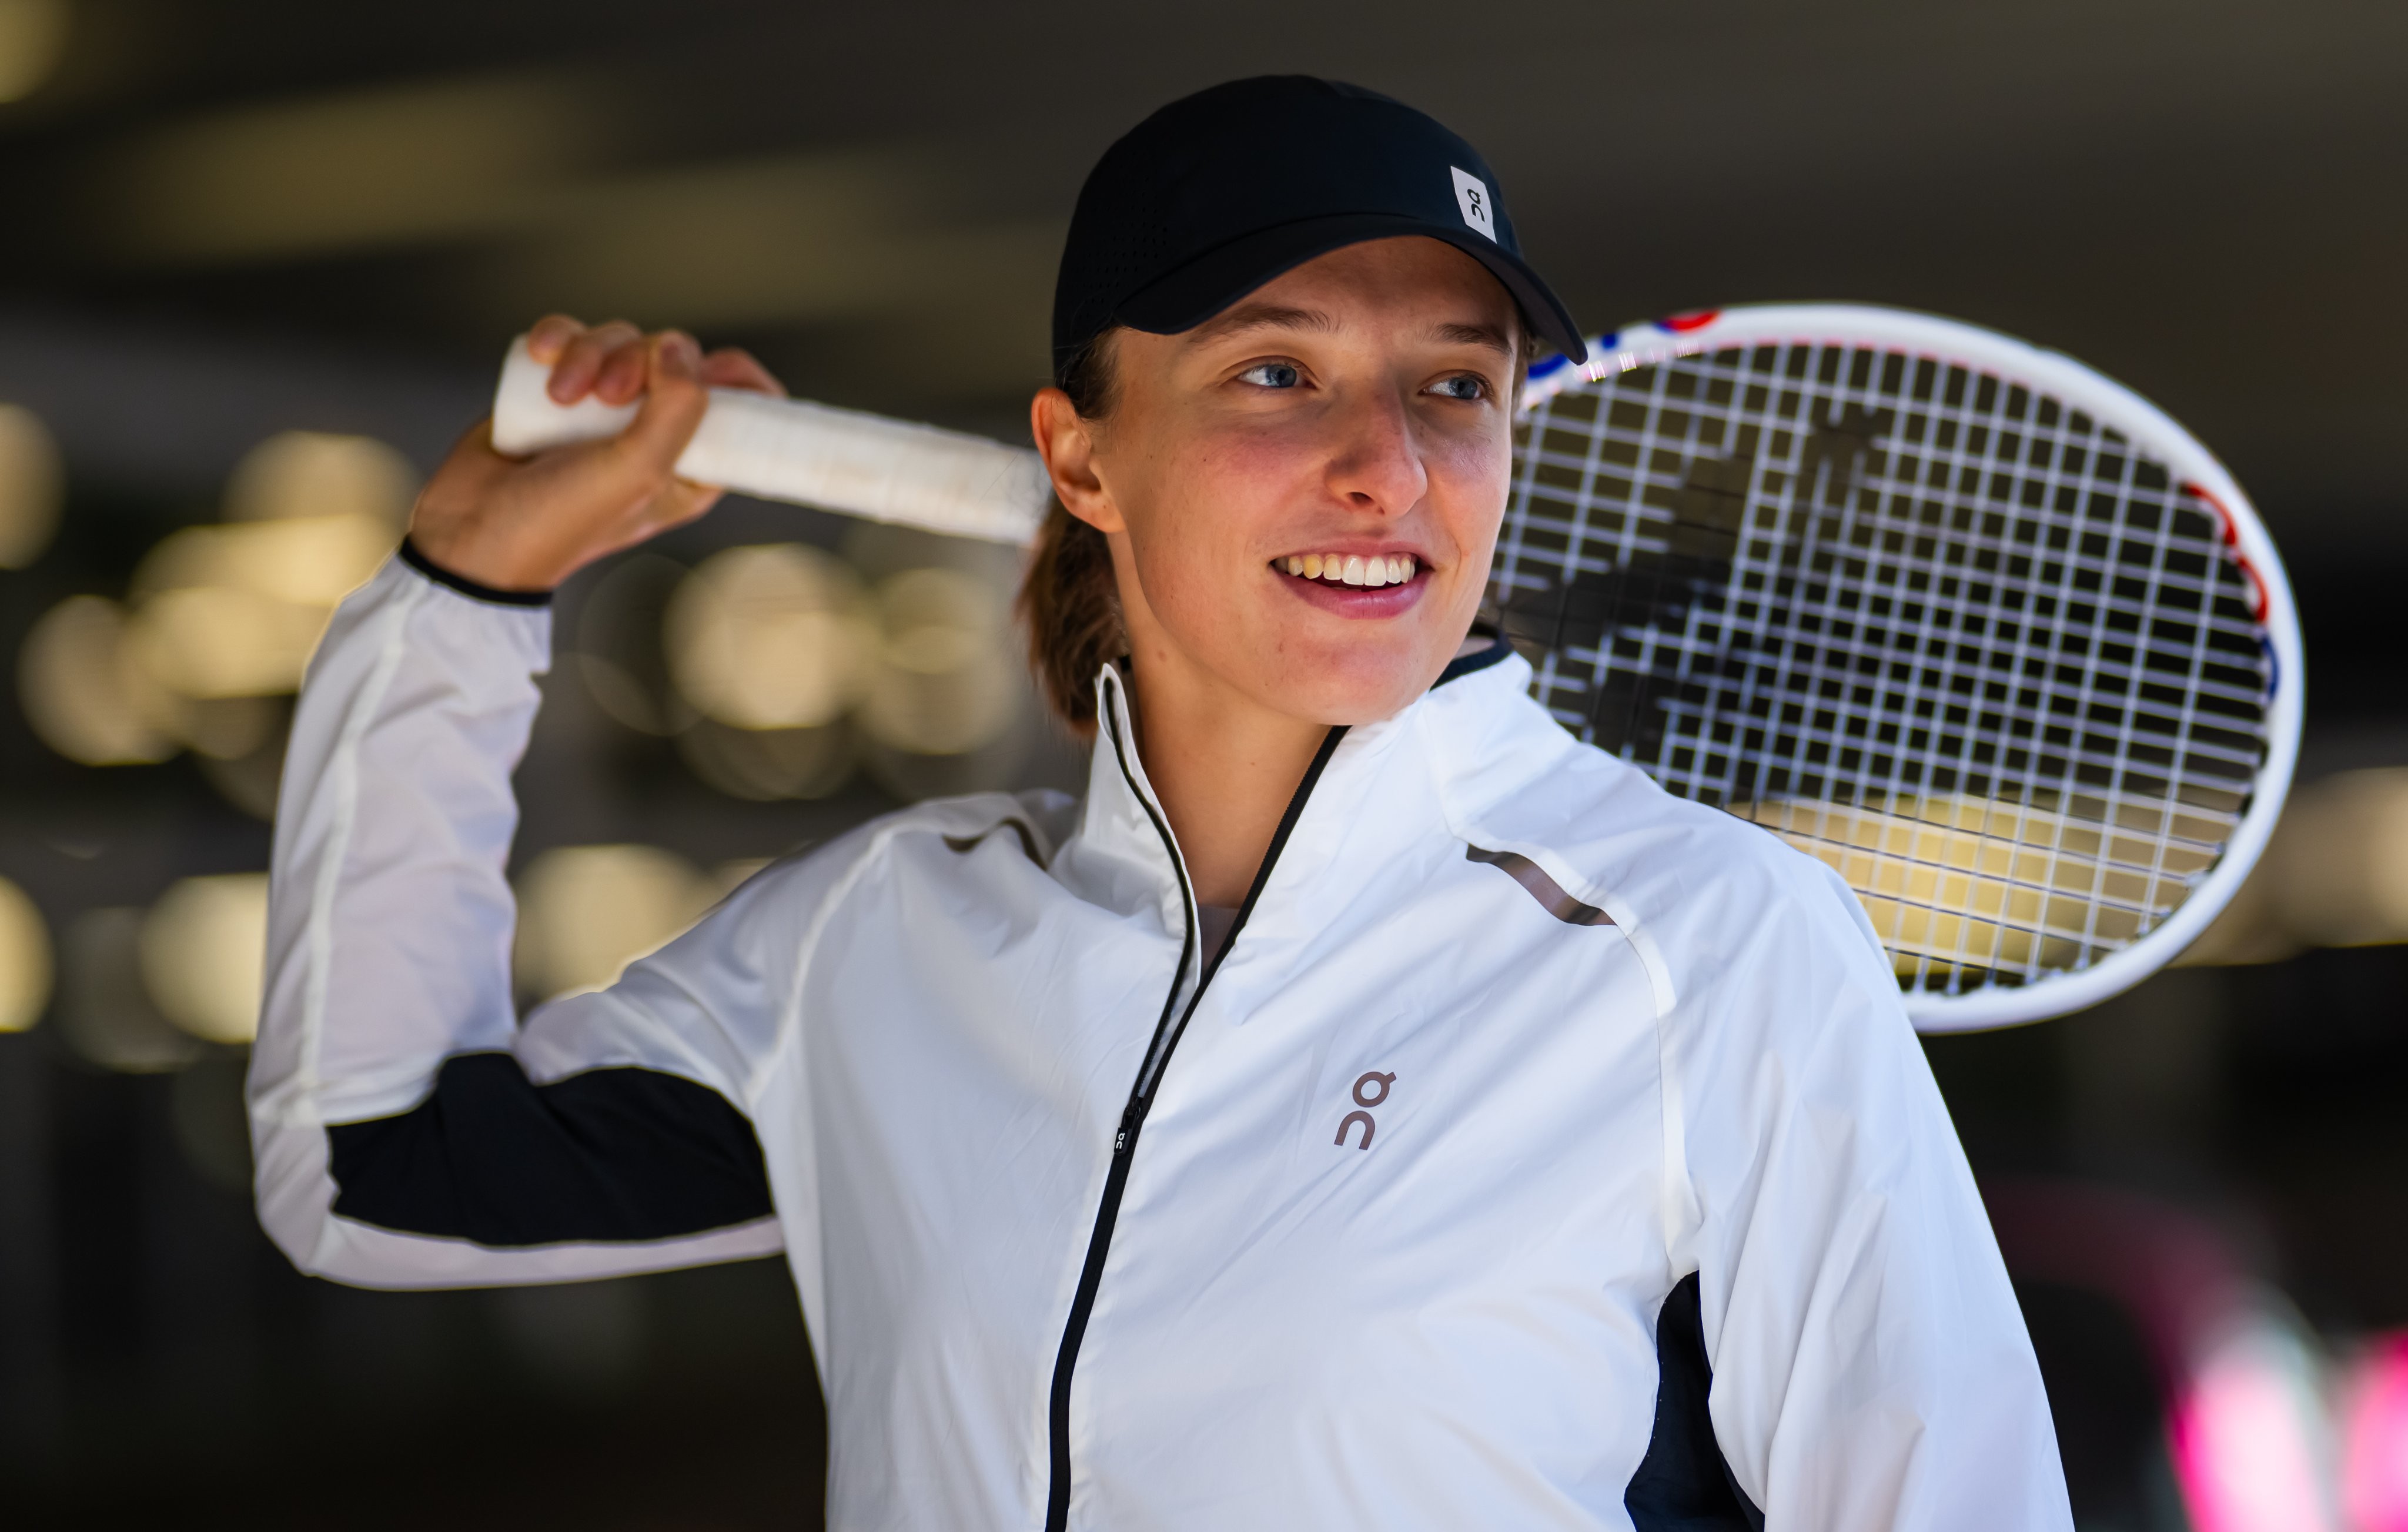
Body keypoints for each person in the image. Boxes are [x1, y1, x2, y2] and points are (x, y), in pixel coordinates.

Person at [248, 76, 2072, 1531]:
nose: (1388, 467)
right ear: (1081, 457)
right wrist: (460, 596)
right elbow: (372, 1173)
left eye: (1456, 386)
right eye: (1277, 373)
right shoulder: (880, 947)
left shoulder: (1703, 944)